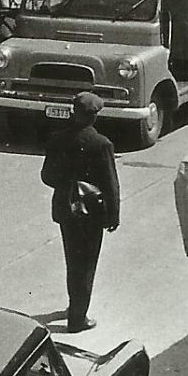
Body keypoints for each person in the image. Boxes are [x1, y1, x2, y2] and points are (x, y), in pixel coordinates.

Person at [40, 92, 121, 334]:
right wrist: (113, 215)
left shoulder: (58, 139)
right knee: (86, 264)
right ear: (94, 116)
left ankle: (74, 305)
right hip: (91, 212)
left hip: (66, 208)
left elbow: (47, 176)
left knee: (72, 261)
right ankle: (78, 318)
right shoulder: (101, 144)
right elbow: (110, 184)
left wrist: (67, 183)